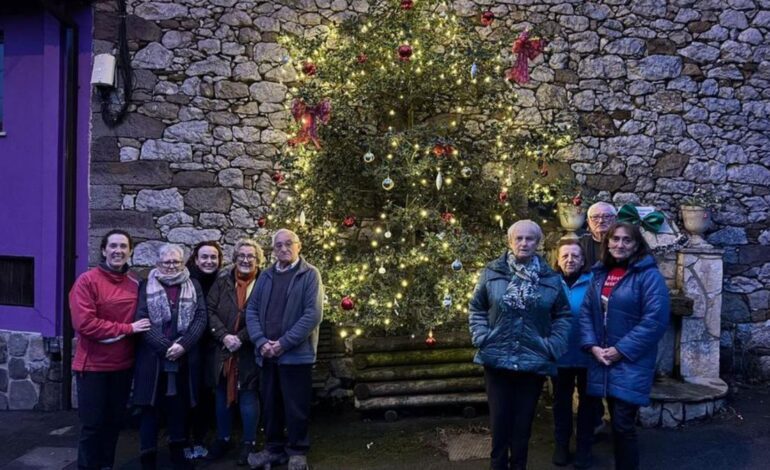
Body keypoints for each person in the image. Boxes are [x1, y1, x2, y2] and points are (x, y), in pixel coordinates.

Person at [469, 220, 572, 470]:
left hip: (533, 361)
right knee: (500, 424)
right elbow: (477, 308)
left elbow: (564, 316)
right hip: (497, 359)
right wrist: (483, 336)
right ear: (510, 242)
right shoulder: (492, 273)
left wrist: (551, 345)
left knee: (522, 426)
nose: (524, 243)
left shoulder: (551, 279)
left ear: (538, 243)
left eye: (530, 239)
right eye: (519, 238)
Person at [579, 223, 670, 470]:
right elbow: (587, 312)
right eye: (615, 239)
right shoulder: (600, 274)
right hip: (602, 359)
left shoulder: (648, 276)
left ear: (636, 244)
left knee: (623, 424)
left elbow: (655, 320)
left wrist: (621, 350)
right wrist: (592, 346)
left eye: (626, 240)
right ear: (607, 243)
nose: (620, 245)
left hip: (630, 361)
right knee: (613, 421)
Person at [69, 229, 151, 470]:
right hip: (93, 367)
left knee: (114, 424)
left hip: (122, 366)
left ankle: (106, 466)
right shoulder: (87, 281)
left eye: (123, 246)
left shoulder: (135, 283)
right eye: (113, 246)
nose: (118, 251)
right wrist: (127, 328)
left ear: (130, 251)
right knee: (92, 426)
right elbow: (85, 324)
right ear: (104, 250)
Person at [246, 229, 323, 470]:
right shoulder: (266, 276)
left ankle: (297, 452)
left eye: (288, 243)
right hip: (267, 355)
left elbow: (313, 314)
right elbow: (251, 310)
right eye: (278, 245)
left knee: (296, 406)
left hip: (296, 356)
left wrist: (283, 343)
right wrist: (261, 342)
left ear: (299, 246)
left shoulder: (310, 275)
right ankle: (273, 450)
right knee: (270, 406)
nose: (283, 248)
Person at [132, 244, 208, 470]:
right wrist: (166, 346)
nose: (172, 266)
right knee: (150, 407)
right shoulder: (146, 285)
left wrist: (183, 345)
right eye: (167, 262)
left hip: (185, 356)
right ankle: (148, 453)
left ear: (183, 263)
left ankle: (177, 449)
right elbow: (142, 318)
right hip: (152, 358)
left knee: (179, 404)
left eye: (176, 262)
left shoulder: (193, 284)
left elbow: (201, 317)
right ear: (158, 264)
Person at [206, 239, 264, 464]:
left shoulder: (263, 283)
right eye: (242, 256)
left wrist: (240, 338)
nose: (246, 260)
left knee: (249, 394)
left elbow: (264, 316)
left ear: (258, 260)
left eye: (251, 256)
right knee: (222, 395)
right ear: (235, 258)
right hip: (223, 349)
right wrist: (224, 336)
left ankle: (249, 442)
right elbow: (209, 311)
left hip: (250, 349)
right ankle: (223, 438)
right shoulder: (222, 283)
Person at [551, 240, 599, 469]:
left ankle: (584, 448)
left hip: (589, 354)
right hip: (560, 356)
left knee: (588, 406)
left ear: (582, 260)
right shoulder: (550, 283)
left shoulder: (594, 283)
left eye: (575, 256)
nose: (570, 260)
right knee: (561, 404)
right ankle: (561, 445)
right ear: (558, 260)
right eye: (565, 256)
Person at [185, 241, 224, 460]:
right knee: (191, 394)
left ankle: (202, 439)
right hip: (191, 347)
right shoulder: (188, 280)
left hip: (213, 347)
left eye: (213, 257)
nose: (209, 261)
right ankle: (189, 440)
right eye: (205, 257)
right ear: (196, 259)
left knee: (206, 395)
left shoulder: (221, 281)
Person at [579, 202, 617, 268]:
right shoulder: (580, 243)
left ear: (615, 219)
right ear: (588, 222)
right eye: (595, 217)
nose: (601, 221)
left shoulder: (622, 243)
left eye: (606, 216)